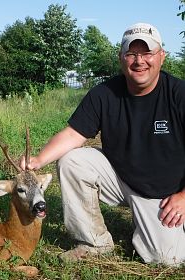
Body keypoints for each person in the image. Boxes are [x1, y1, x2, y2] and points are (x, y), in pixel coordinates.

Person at [20, 22, 185, 266]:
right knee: (72, 160)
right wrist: (38, 160)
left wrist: (183, 196)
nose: (139, 61)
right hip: (121, 179)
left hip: (165, 194)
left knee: (166, 258)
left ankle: (156, 224)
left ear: (161, 56)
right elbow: (74, 133)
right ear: (121, 58)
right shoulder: (104, 94)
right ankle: (93, 243)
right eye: (131, 54)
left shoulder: (179, 94)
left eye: (147, 53)